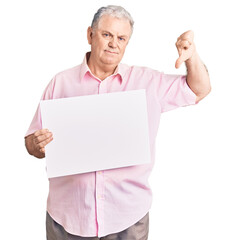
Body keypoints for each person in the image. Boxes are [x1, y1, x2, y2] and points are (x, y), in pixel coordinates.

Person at [25, 5, 211, 240]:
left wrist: (191, 55)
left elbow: (200, 89)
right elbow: (32, 144)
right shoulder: (60, 83)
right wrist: (36, 144)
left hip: (128, 219)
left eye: (121, 38)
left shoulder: (148, 83)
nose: (114, 43)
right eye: (107, 35)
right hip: (68, 220)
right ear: (90, 35)